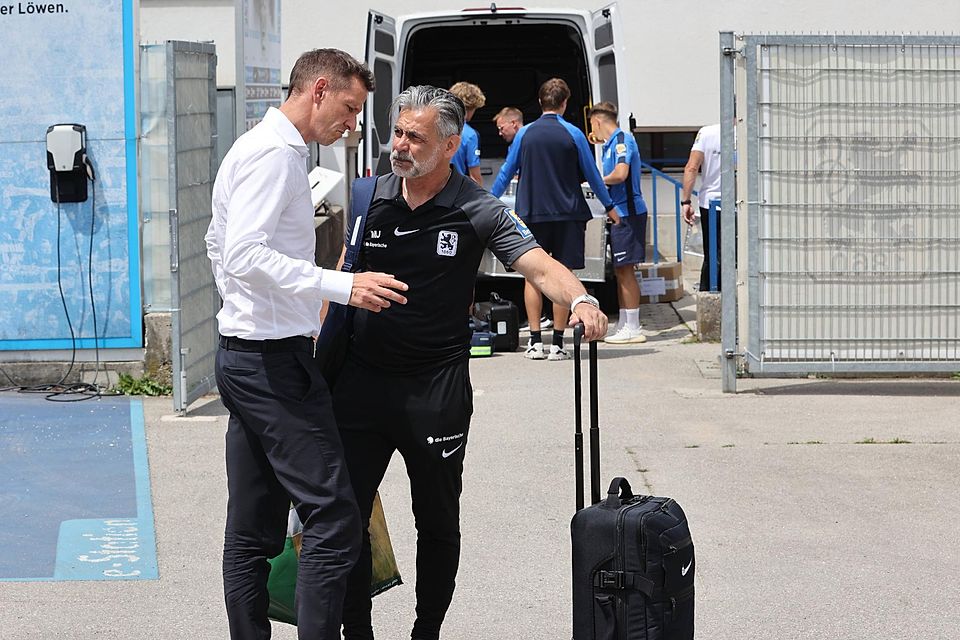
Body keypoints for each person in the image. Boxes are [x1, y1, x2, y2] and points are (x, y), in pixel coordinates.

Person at [331, 85, 608, 640]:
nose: (400, 146)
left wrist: (579, 299)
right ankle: (355, 632)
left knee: (435, 524)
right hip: (359, 384)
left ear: (451, 144)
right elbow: (340, 272)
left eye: (416, 137)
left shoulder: (476, 208)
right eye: (398, 133)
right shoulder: (368, 197)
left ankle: (425, 632)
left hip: (435, 391)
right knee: (344, 520)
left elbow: (538, 264)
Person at [205, 48, 409, 640]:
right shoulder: (275, 154)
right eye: (349, 108)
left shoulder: (257, 146)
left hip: (246, 352)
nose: (351, 124)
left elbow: (220, 241)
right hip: (270, 362)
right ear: (318, 89)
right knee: (333, 518)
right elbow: (241, 252)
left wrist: (253, 305)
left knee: (251, 530)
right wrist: (338, 286)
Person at [491, 78, 617, 361]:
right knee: (565, 274)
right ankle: (558, 343)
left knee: (533, 275)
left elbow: (506, 171)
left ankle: (535, 341)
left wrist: (488, 201)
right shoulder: (573, 133)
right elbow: (592, 174)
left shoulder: (525, 134)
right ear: (564, 103)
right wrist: (609, 205)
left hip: (531, 212)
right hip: (568, 213)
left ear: (540, 103)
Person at [588, 101, 649, 344]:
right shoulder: (610, 143)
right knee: (620, 269)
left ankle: (633, 326)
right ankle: (625, 321)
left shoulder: (623, 139)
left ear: (598, 120)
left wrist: (597, 180)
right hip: (619, 213)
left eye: (592, 124)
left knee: (626, 270)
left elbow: (621, 173)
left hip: (628, 213)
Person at [681, 123, 722, 292]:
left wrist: (686, 201)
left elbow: (692, 167)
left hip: (712, 205)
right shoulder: (752, 130)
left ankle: (711, 297)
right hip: (744, 203)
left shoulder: (707, 132)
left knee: (713, 255)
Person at [448, 81, 485, 186]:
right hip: (457, 192)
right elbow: (475, 177)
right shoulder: (470, 135)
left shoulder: (436, 126)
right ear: (471, 107)